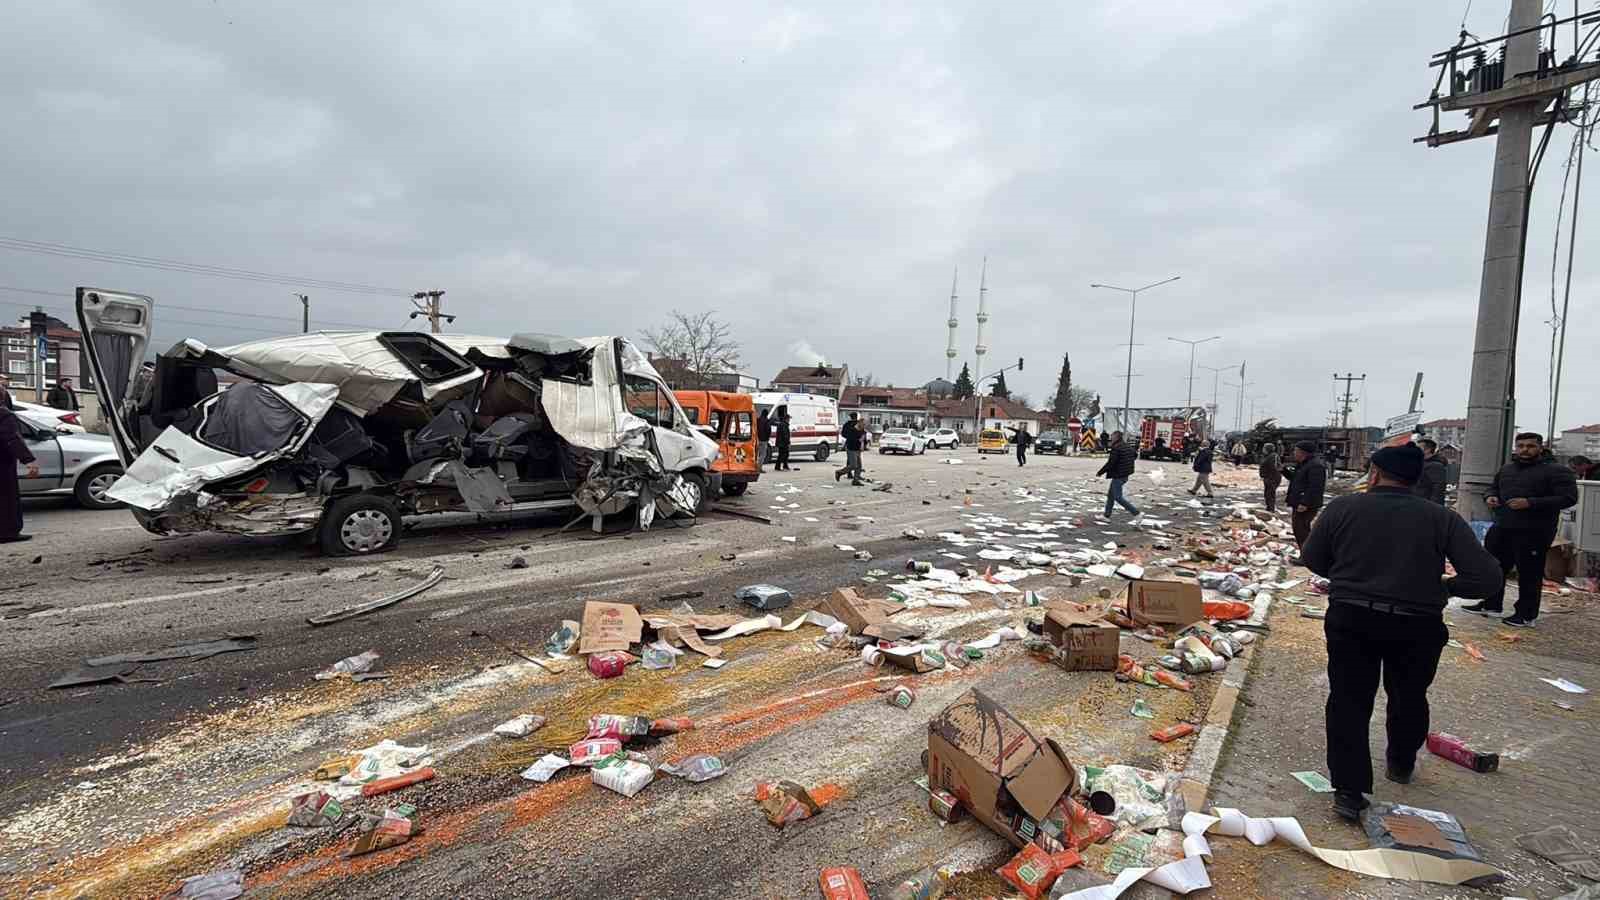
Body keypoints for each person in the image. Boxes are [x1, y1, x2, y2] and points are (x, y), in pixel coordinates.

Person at [1301, 443, 1501, 822]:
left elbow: (1313, 558)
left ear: (1374, 473)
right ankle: (1401, 763)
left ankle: (1349, 790)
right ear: (1416, 479)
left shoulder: (1344, 508)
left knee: (1348, 699)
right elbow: (1487, 577)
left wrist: (1348, 578)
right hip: (1417, 623)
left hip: (1352, 618)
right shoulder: (1441, 518)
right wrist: (1446, 587)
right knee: (1409, 695)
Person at [1462, 432, 1579, 626]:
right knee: (1494, 567)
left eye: (1530, 446)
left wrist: (1530, 503)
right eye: (1521, 446)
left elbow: (1569, 498)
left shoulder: (1556, 471)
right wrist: (1490, 497)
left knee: (1529, 573)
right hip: (1504, 525)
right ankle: (1491, 604)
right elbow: (1493, 488)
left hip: (1534, 530)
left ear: (1541, 447)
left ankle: (1526, 615)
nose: (1525, 450)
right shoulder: (1508, 469)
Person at [1, 403, 40, 543]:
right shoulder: (4, 414)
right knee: (6, 498)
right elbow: (12, 438)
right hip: (3, 464)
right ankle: (7, 532)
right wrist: (28, 460)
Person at [1285, 440, 1327, 547]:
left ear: (1303, 452)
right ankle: (1305, 554)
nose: (1294, 453)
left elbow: (1315, 487)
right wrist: (1283, 471)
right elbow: (1296, 479)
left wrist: (1305, 503)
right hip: (1299, 502)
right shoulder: (1303, 464)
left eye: (1296, 451)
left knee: (1302, 530)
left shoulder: (1315, 466)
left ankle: (1306, 556)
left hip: (1307, 505)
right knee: (1299, 529)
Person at [1097, 431, 1140, 518]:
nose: (1110, 438)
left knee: (1117, 497)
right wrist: (1126, 462)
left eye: (1112, 436)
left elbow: (1111, 463)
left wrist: (1100, 472)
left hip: (1119, 475)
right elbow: (1134, 455)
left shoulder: (1116, 448)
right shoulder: (1127, 446)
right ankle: (1106, 515)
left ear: (1116, 437)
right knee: (1111, 496)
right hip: (1125, 474)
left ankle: (1136, 513)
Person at [1411, 438, 1447, 505]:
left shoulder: (1436, 466)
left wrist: (1433, 508)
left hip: (1425, 506)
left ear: (1427, 450)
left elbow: (1438, 490)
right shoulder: (1420, 463)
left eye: (1419, 448)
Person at [835, 412, 865, 485]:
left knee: (858, 465)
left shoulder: (848, 425)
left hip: (853, 446)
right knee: (854, 465)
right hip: (852, 447)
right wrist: (859, 440)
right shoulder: (852, 426)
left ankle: (855, 480)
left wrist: (861, 441)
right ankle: (839, 472)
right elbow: (860, 435)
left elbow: (862, 434)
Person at [1259, 442, 1283, 512]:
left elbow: (1275, 468)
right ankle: (1269, 508)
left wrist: (1270, 478)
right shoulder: (1267, 456)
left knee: (1270, 494)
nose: (1263, 449)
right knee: (1267, 494)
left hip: (1272, 478)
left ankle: (1271, 510)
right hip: (1268, 478)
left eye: (1264, 448)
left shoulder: (1273, 456)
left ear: (1268, 449)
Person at [772, 405, 792, 472]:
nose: (789, 420)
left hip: (781, 443)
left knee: (782, 455)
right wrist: (788, 442)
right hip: (783, 443)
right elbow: (785, 435)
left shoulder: (781, 424)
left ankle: (782, 466)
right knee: (784, 455)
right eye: (789, 419)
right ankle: (782, 466)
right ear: (786, 419)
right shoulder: (784, 425)